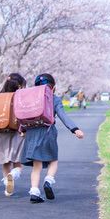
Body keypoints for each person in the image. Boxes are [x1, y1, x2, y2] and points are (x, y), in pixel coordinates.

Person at [21, 73, 85, 203]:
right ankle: (48, 180)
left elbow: (23, 115)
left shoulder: (30, 99)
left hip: (32, 132)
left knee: (37, 165)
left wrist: (22, 130)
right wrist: (75, 129)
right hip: (48, 132)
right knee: (53, 160)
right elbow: (62, 115)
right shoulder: (54, 99)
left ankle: (34, 192)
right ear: (53, 87)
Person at [0, 73, 26, 196]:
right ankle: (13, 174)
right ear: (19, 86)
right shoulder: (20, 98)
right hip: (18, 133)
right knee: (18, 163)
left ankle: (8, 185)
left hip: (2, 133)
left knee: (6, 162)